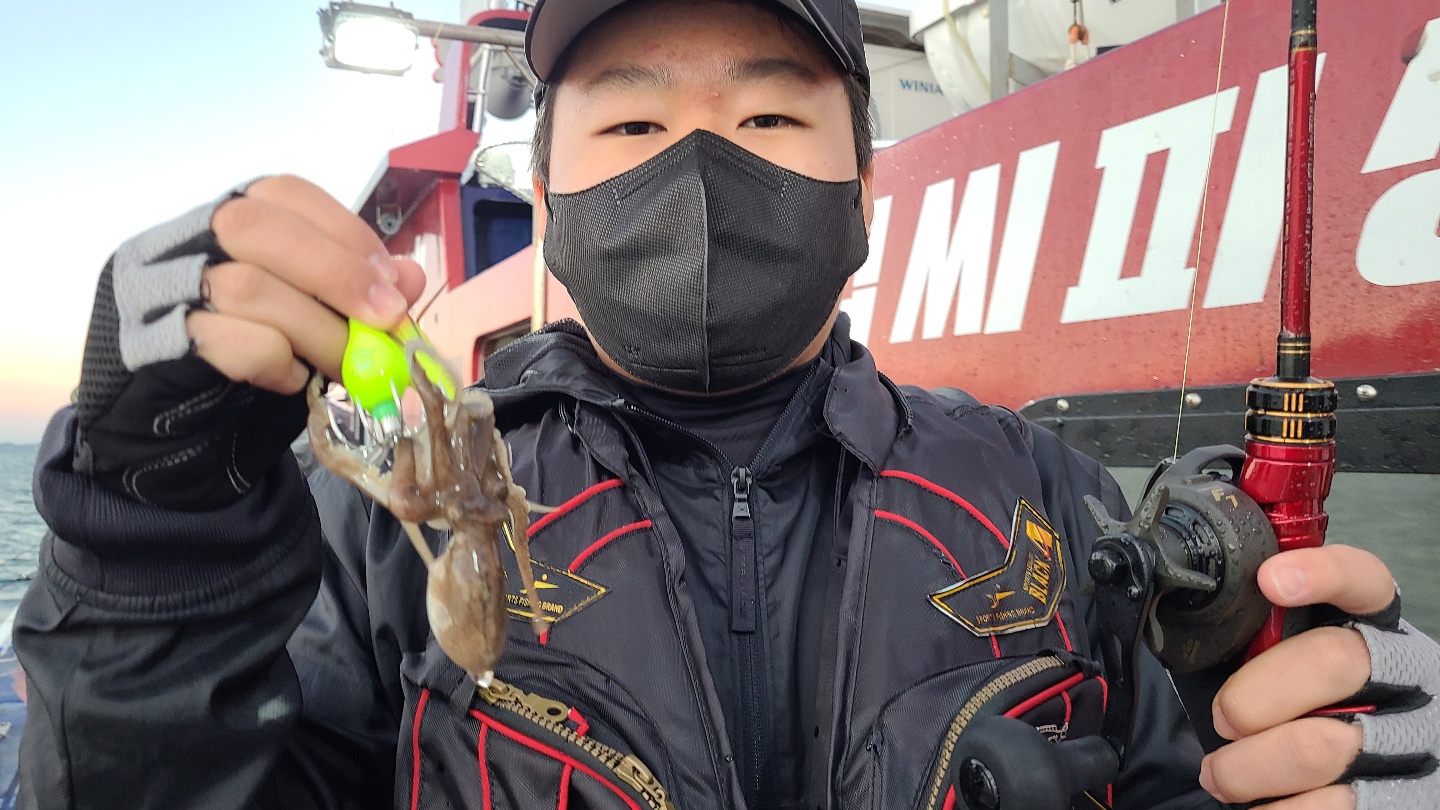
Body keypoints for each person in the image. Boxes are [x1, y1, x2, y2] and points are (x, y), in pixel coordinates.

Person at [15, 0, 1440, 807]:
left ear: (863, 190)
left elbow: (1185, 779)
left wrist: (1313, 746)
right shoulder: (377, 521)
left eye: (766, 117)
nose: (699, 162)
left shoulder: (1044, 495)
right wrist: (150, 540)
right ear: (552, 195)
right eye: (635, 120)